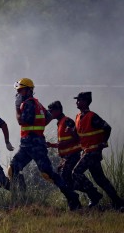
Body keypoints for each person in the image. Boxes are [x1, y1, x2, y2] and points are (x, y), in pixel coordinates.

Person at [8, 78, 80, 210]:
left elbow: (22, 121)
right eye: (17, 91)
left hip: (34, 145)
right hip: (27, 145)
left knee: (48, 173)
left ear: (29, 90)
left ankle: (72, 197)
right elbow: (48, 117)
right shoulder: (37, 103)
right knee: (13, 169)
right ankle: (22, 198)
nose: (18, 94)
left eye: (20, 90)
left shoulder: (28, 103)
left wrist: (17, 108)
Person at [71, 92, 124, 210]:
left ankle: (94, 195)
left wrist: (103, 142)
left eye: (79, 100)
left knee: (76, 172)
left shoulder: (92, 116)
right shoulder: (78, 116)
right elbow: (79, 135)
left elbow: (107, 127)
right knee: (100, 180)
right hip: (87, 151)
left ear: (85, 101)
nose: (77, 102)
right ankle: (119, 202)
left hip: (93, 152)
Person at [46, 101, 86, 201]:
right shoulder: (60, 122)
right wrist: (52, 145)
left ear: (58, 110)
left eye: (52, 111)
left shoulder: (67, 121)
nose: (50, 113)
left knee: (65, 175)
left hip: (73, 154)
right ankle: (85, 193)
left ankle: (90, 192)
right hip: (66, 156)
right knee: (63, 176)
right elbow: (63, 142)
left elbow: (76, 138)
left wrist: (54, 145)